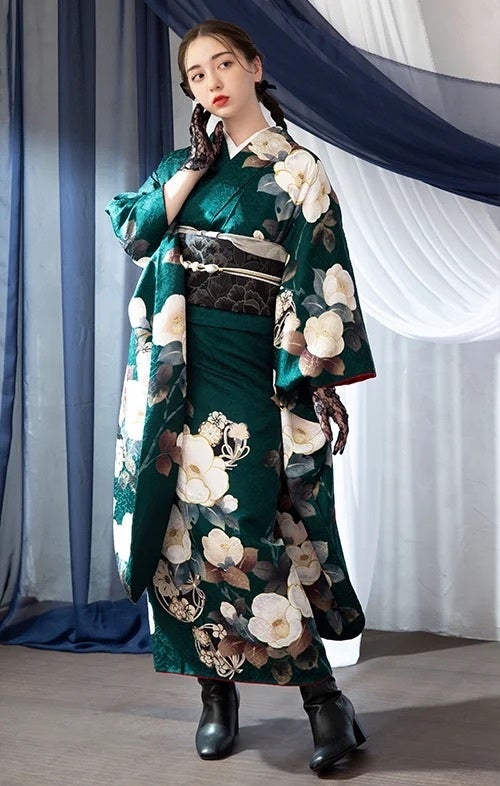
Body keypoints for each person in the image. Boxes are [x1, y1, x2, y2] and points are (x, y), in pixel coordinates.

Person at [106, 19, 375, 774]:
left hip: (249, 365)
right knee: (179, 530)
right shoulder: (184, 165)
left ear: (254, 66)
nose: (213, 82)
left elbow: (318, 274)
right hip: (173, 371)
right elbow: (136, 233)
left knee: (253, 523)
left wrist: (313, 377)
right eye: (197, 75)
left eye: (224, 64)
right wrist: (194, 167)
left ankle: (324, 699)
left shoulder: (298, 169)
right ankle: (214, 693)